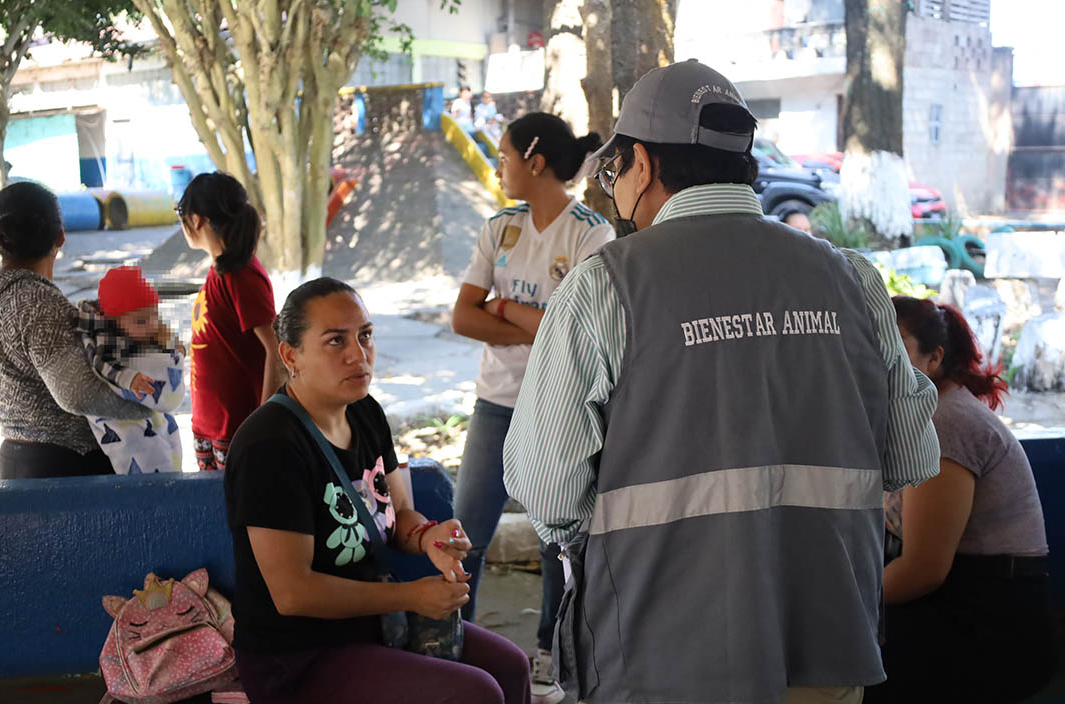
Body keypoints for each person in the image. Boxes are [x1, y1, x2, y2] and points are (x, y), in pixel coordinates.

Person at [502, 59, 940, 704]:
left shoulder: (604, 286)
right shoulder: (851, 278)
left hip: (659, 655)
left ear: (642, 163)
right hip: (827, 646)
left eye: (614, 169)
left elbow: (549, 490)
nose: (614, 187)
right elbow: (910, 457)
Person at [224, 277, 531, 704]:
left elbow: (399, 514)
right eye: (335, 341)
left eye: (365, 335)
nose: (358, 354)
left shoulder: (365, 412)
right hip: (297, 657)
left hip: (375, 626)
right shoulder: (270, 446)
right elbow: (293, 593)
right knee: (474, 693)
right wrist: (411, 596)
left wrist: (430, 537)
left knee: (511, 666)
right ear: (291, 355)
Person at [451, 112, 614, 704]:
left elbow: (575, 332)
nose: (499, 168)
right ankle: (456, 642)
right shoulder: (500, 228)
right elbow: (462, 316)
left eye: (504, 157)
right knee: (466, 530)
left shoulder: (592, 234)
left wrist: (503, 310)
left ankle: (551, 651)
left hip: (558, 407)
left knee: (556, 537)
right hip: (495, 403)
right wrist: (537, 324)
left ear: (535, 161)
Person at [864, 297, 1054, 704]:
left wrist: (836, 604)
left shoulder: (943, 423)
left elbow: (922, 572)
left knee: (849, 664)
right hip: (962, 601)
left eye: (895, 348)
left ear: (934, 359)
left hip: (991, 620)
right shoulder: (916, 418)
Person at [0, 181, 152, 479]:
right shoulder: (39, 302)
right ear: (60, 236)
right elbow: (77, 395)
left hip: (14, 457)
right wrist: (146, 406)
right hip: (67, 463)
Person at [178, 172, 284, 471]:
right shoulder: (220, 269)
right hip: (210, 426)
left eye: (180, 213)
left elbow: (277, 349)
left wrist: (264, 421)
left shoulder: (241, 274)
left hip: (238, 429)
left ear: (196, 219)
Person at [76, 265, 186, 474]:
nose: (152, 324)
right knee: (146, 456)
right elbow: (101, 363)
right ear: (114, 322)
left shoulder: (145, 330)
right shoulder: (106, 336)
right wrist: (128, 378)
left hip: (154, 415)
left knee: (168, 446)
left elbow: (167, 339)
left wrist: (176, 347)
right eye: (141, 321)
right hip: (123, 423)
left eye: (155, 314)